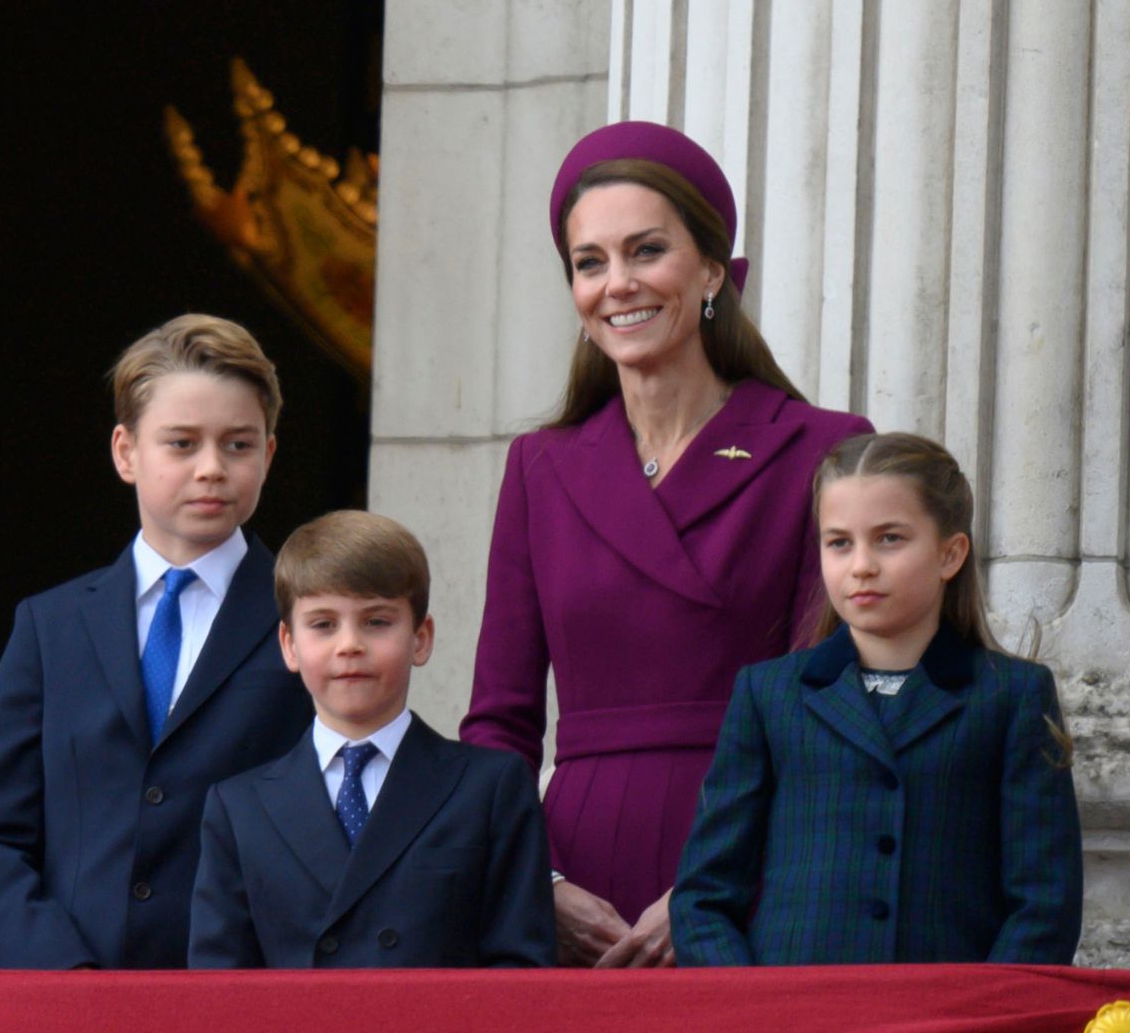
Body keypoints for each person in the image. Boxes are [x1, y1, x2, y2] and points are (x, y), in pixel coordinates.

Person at [459, 121, 873, 968]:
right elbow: (498, 722)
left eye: (646, 251)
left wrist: (718, 889)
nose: (618, 285)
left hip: (752, 858)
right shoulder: (541, 467)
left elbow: (835, 708)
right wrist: (534, 881)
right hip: (579, 884)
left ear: (713, 269)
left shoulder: (818, 449)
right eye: (590, 262)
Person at [0, 314, 314, 969]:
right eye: (181, 443)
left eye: (238, 445)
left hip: (241, 1000)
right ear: (126, 452)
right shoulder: (49, 625)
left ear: (269, 454)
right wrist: (66, 978)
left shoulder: (307, 622)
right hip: (72, 999)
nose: (211, 468)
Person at [671, 432, 1083, 964]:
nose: (861, 564)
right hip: (794, 1017)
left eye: (889, 539)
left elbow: (1045, 903)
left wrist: (985, 1014)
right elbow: (704, 897)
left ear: (950, 553)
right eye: (839, 542)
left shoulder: (1012, 696)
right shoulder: (769, 694)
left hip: (950, 1019)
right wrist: (754, 1009)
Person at [188, 510, 555, 968]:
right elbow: (220, 992)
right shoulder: (238, 808)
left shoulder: (491, 787)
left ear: (421, 638)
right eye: (322, 624)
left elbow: (519, 968)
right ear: (288, 645)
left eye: (377, 622)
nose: (349, 645)